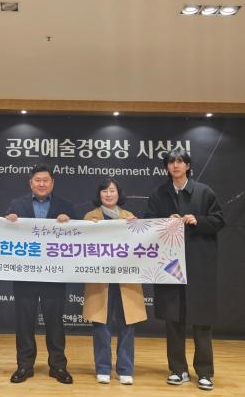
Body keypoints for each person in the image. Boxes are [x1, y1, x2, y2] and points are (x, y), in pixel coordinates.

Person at [144, 149, 225, 391]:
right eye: (171, 162)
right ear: (166, 167)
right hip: (170, 265)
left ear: (188, 166)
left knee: (202, 320)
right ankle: (177, 370)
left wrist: (198, 220)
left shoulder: (204, 191)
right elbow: (147, 223)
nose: (176, 165)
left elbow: (219, 220)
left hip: (199, 264)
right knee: (173, 320)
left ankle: (205, 372)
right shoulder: (159, 193)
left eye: (180, 161)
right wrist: (164, 221)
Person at [5, 164, 78, 384]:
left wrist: (70, 223)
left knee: (55, 323)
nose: (42, 184)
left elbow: (80, 237)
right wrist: (8, 222)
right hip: (25, 273)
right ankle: (24, 366)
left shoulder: (66, 206)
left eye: (46, 180)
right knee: (24, 323)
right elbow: (2, 236)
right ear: (31, 183)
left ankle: (58, 366)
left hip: (54, 274)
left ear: (52, 183)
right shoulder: (16, 205)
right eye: (37, 180)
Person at [83, 178, 147, 385]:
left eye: (112, 191)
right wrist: (88, 230)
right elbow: (81, 247)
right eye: (104, 191)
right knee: (100, 324)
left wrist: (137, 228)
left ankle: (125, 369)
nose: (108, 194)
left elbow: (141, 246)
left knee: (127, 323)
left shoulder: (130, 217)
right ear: (99, 195)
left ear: (119, 194)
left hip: (125, 279)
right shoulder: (90, 217)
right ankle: (102, 367)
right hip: (100, 279)